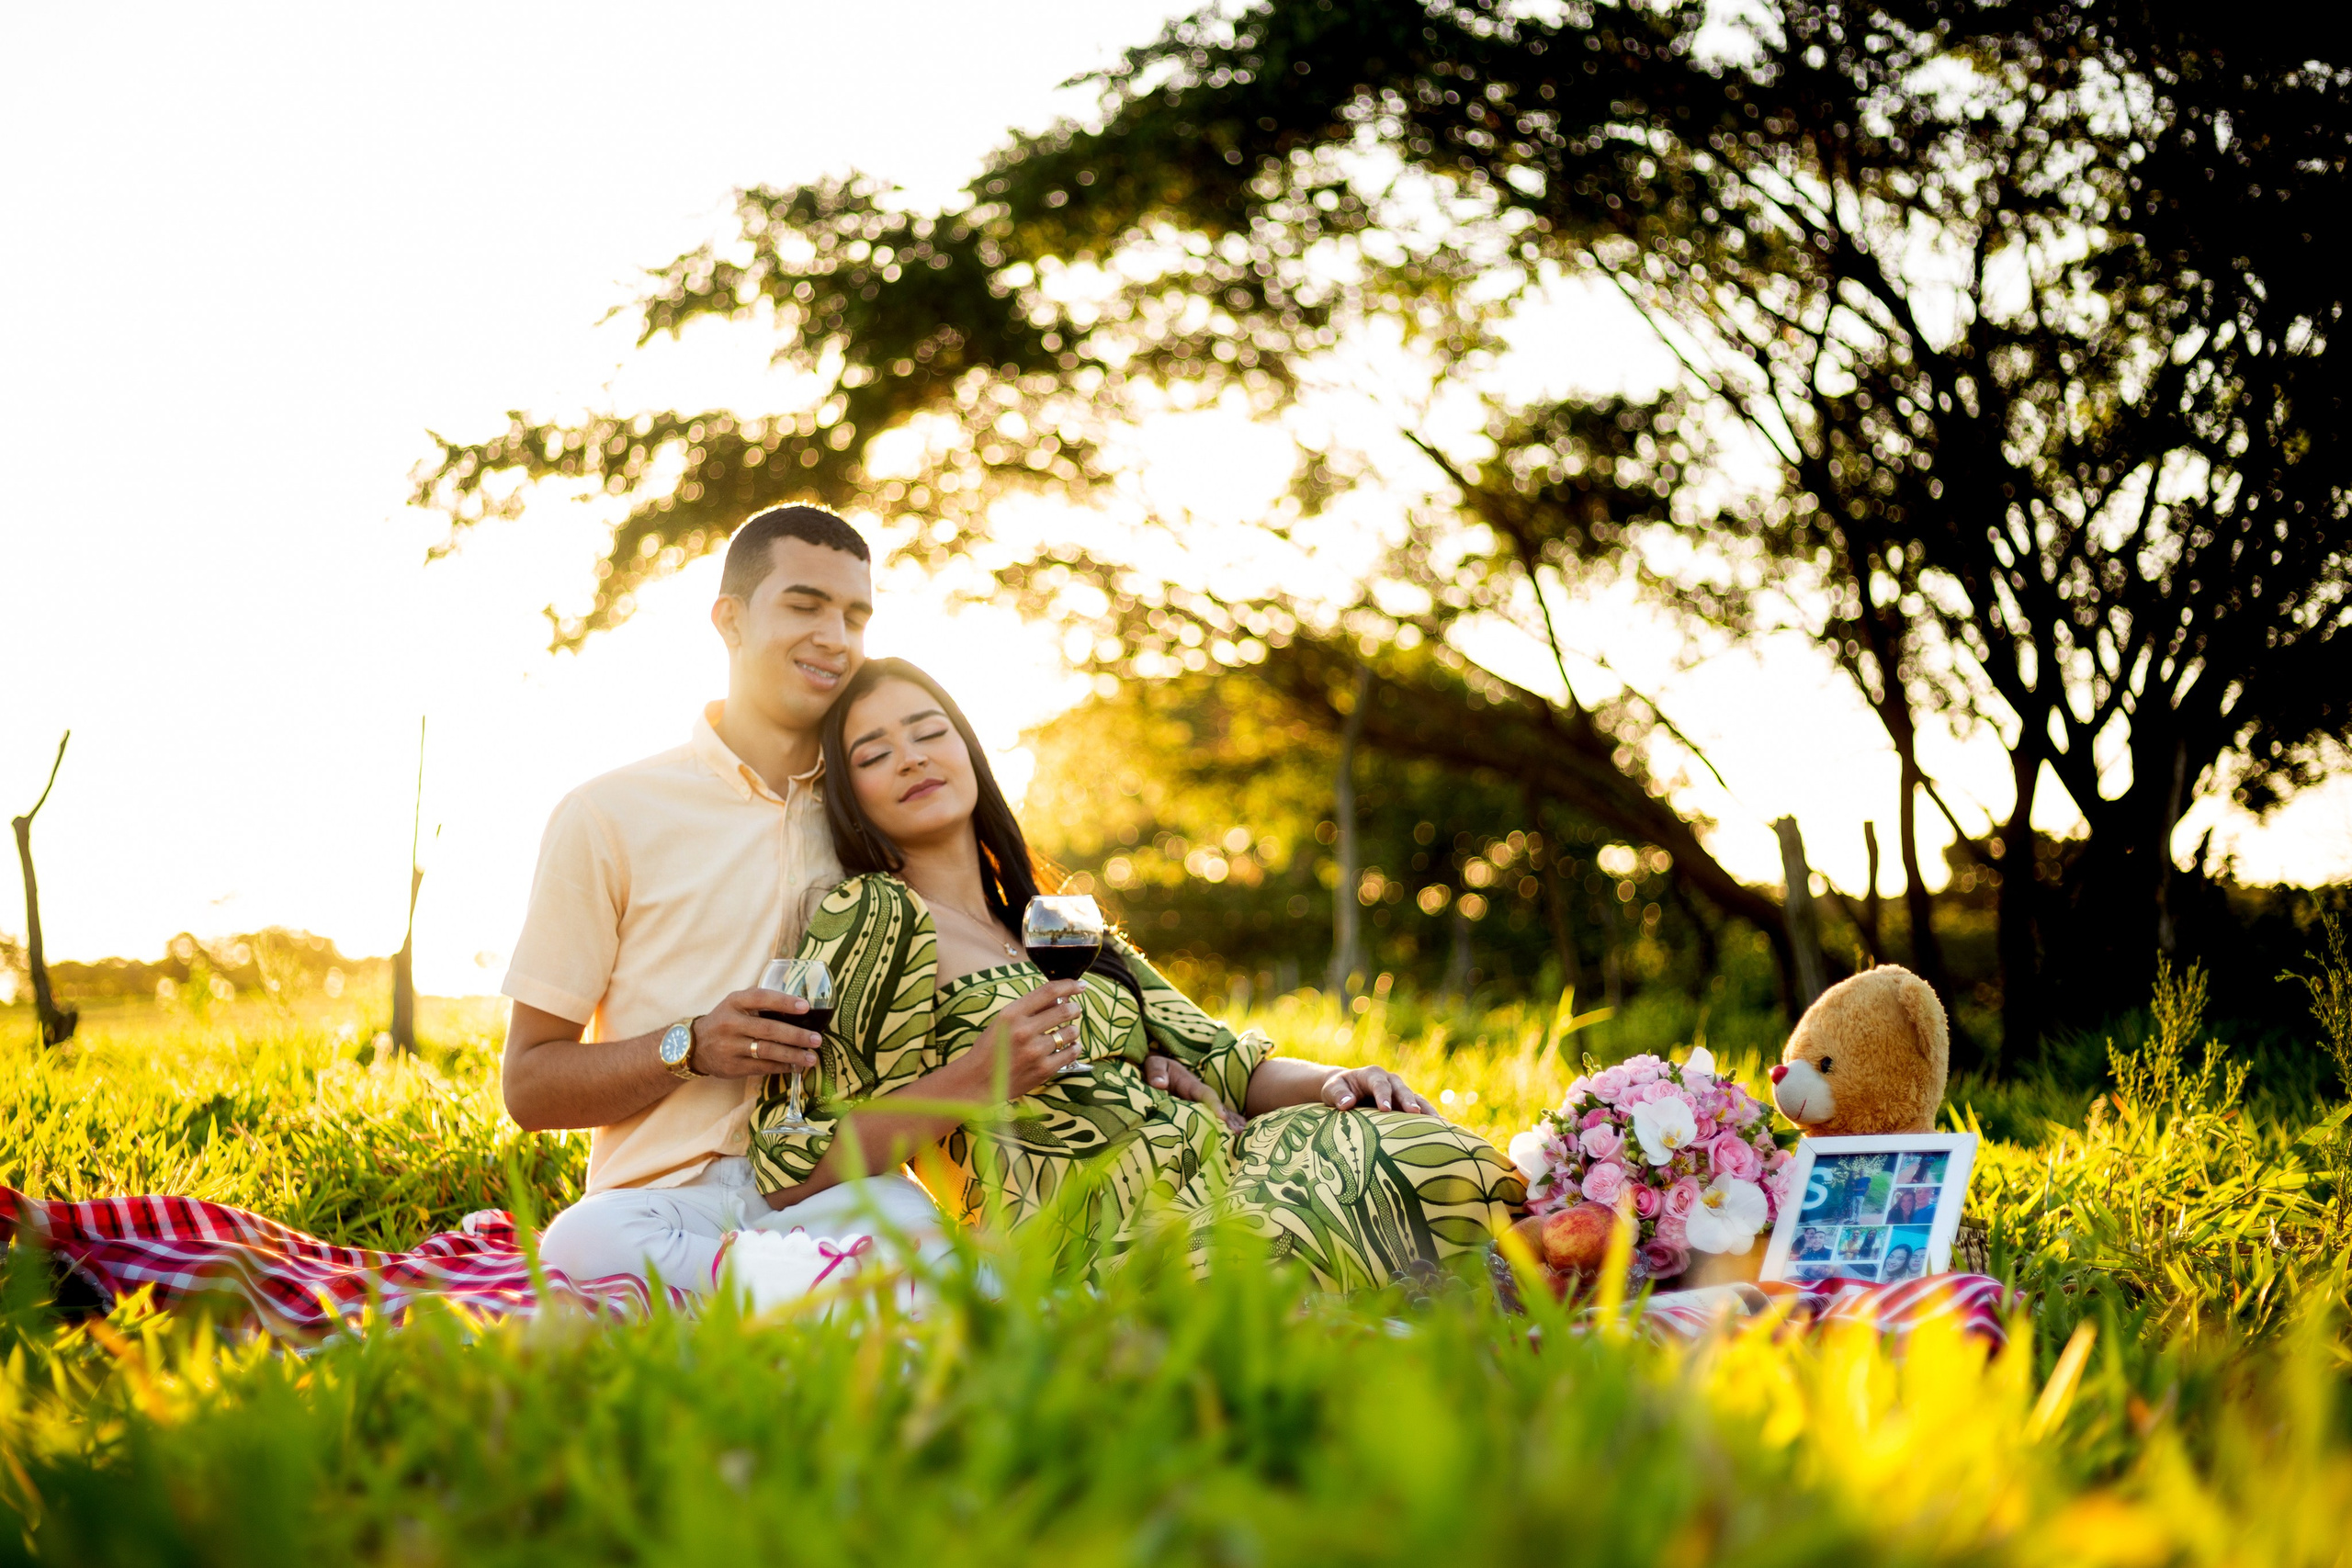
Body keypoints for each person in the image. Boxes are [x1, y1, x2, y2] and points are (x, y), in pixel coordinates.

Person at [744, 658, 1527, 1292]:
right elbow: (789, 1163)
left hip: (1222, 1163)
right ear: (851, 797)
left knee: (1424, 1143)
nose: (911, 757)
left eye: (928, 732)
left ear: (969, 750)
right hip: (1095, 1233)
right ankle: (1409, 1295)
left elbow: (1223, 1057)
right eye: (874, 753)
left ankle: (1436, 1286)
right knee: (1253, 1252)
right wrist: (976, 1077)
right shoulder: (875, 917)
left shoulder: (1054, 920)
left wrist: (1340, 1079)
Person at [500, 506, 946, 1301]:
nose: (835, 638)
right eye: (805, 605)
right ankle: (825, 1299)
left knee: (915, 1230)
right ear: (729, 620)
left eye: (854, 616)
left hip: (832, 1190)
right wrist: (692, 1044)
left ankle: (769, 1296)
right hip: (658, 1208)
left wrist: (1162, 1060)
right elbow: (531, 1087)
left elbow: (988, 970)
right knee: (581, 1238)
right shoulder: (607, 814)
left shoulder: (883, 813)